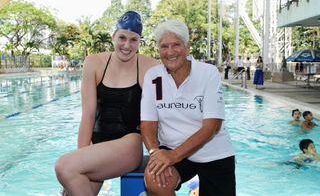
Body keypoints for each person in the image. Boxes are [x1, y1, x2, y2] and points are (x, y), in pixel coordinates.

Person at [54, 11, 158, 196]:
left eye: (133, 40)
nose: (127, 45)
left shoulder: (149, 66)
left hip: (128, 143)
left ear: (139, 41)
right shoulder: (93, 63)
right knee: (71, 186)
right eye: (122, 38)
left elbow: (160, 112)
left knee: (63, 167)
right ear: (113, 36)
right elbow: (88, 114)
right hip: (97, 144)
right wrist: (81, 157)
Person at [140, 20, 235, 196]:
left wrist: (173, 156)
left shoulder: (208, 73)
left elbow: (212, 126)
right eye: (164, 46)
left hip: (213, 151)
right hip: (171, 146)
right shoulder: (154, 77)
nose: (170, 52)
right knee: (155, 178)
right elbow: (148, 122)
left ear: (187, 46)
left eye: (176, 45)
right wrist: (155, 153)